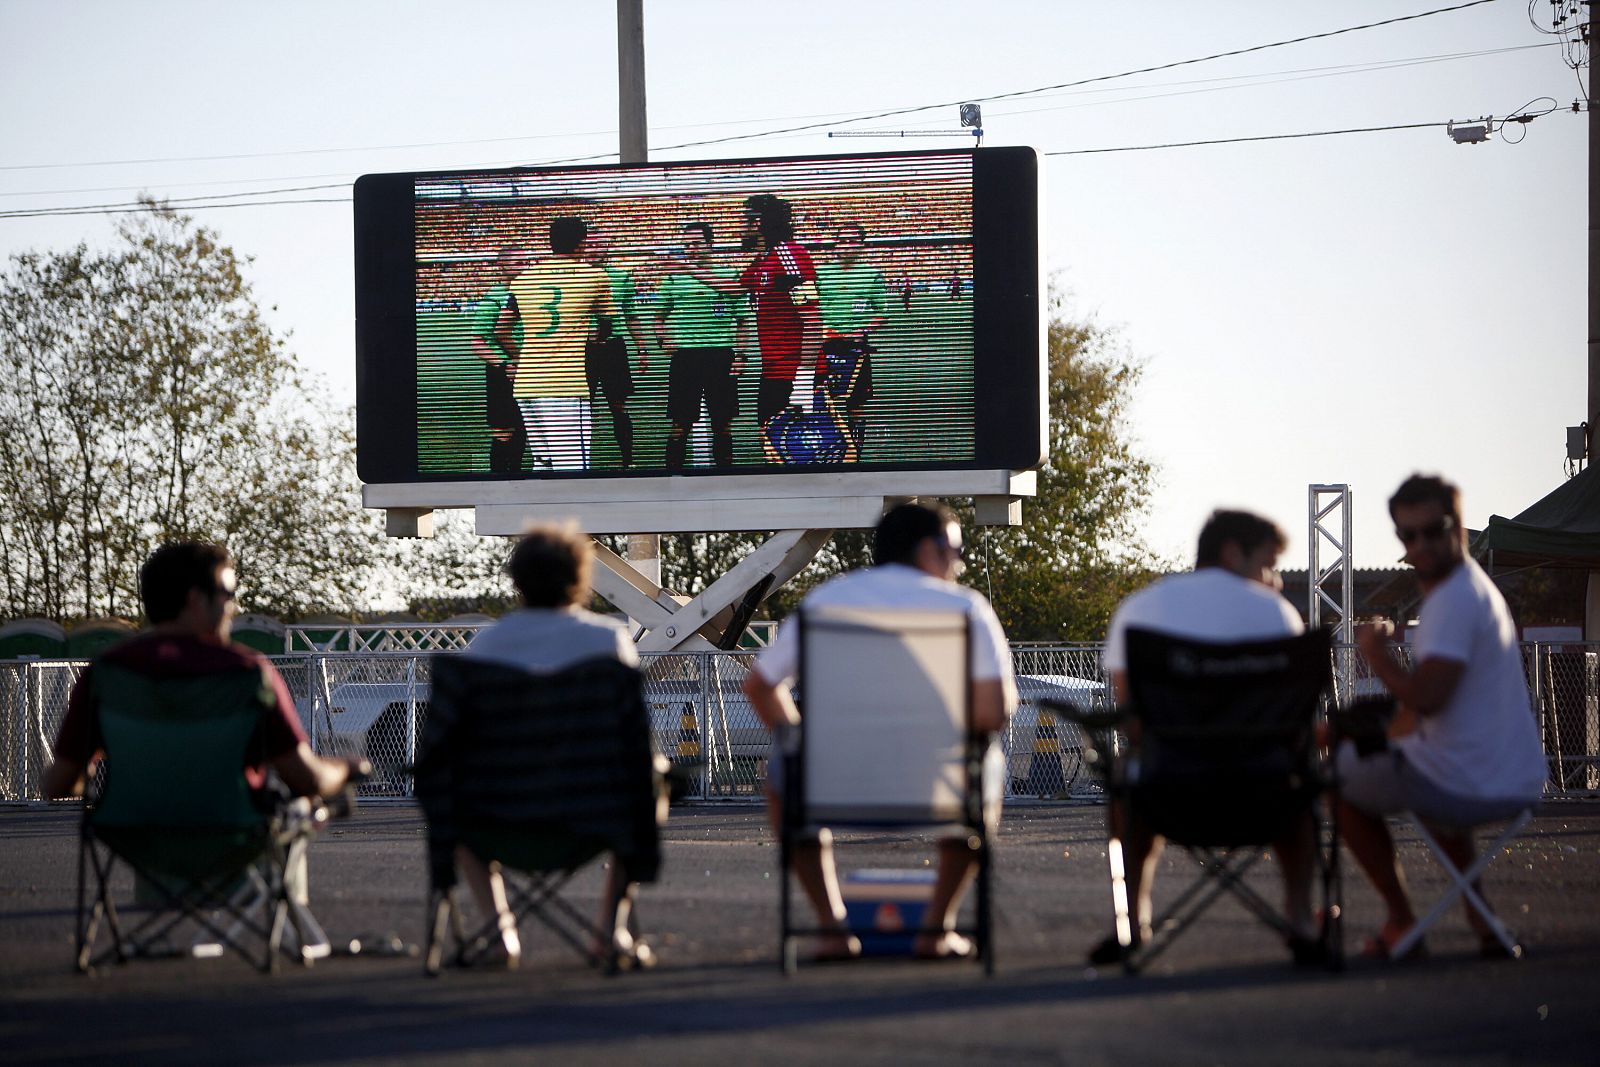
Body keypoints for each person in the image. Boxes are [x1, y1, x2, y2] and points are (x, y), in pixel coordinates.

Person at [742, 502, 1017, 961]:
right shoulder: (966, 609)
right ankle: (936, 928)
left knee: (782, 777)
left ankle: (832, 927)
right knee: (985, 765)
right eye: (956, 549)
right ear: (930, 550)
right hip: (938, 785)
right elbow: (994, 713)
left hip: (833, 784)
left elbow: (760, 685)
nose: (961, 561)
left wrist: (804, 745)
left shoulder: (827, 601)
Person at [1094, 509, 1321, 965]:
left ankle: (1132, 918)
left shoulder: (1140, 609)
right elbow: (1295, 724)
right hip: (1264, 797)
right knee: (1300, 779)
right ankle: (1299, 914)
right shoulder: (1276, 613)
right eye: (1268, 563)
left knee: (1129, 777)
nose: (1272, 577)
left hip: (1169, 795)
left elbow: (1132, 720)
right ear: (1233, 552)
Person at [1341, 474, 1546, 959]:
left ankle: (1400, 921)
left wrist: (1374, 653)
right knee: (1408, 765)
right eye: (1408, 535)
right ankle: (1479, 917)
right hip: (1509, 776)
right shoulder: (1471, 591)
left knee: (1337, 785)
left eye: (1434, 531)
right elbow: (1426, 708)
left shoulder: (1453, 599)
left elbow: (1427, 698)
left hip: (1470, 781)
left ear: (1460, 527)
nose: (1421, 544)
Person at [450, 524, 645, 969]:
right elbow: (631, 738)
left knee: (457, 801)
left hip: (498, 820)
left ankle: (501, 936)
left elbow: (457, 747)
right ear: (580, 578)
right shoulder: (608, 642)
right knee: (646, 792)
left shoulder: (482, 649)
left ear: (517, 581)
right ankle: (608, 930)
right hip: (590, 818)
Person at [42, 541, 364, 804]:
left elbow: (56, 784)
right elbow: (306, 778)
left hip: (139, 843)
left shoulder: (106, 674)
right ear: (196, 600)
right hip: (233, 842)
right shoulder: (248, 673)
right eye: (228, 594)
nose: (233, 608)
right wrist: (345, 768)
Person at [502, 217, 614, 471]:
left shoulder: (523, 278)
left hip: (527, 383)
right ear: (582, 244)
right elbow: (605, 324)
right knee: (573, 465)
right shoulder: (594, 275)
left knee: (542, 463)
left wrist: (522, 359)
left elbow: (501, 330)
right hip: (565, 383)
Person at [654, 221, 747, 469]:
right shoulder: (673, 279)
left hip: (720, 356)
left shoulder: (729, 275)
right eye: (687, 245)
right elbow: (658, 317)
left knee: (723, 422)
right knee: (680, 422)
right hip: (686, 358)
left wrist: (740, 355)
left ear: (710, 244)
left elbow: (742, 321)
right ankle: (673, 476)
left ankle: (724, 474)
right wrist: (663, 338)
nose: (691, 249)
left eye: (696, 243)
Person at [737, 193, 822, 429]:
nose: (740, 228)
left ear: (757, 222)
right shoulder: (763, 260)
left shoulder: (789, 256)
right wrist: (686, 266)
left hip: (793, 374)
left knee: (796, 450)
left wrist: (804, 380)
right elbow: (732, 288)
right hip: (774, 370)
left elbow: (812, 319)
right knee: (771, 444)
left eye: (744, 221)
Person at [815, 222, 887, 461]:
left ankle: (855, 454)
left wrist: (862, 329)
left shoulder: (872, 274)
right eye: (842, 240)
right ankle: (828, 452)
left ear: (861, 245)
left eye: (852, 240)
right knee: (823, 402)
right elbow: (809, 308)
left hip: (856, 350)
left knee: (856, 405)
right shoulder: (821, 273)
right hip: (823, 347)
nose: (846, 246)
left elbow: (882, 313)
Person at [583, 233, 647, 469]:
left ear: (607, 249)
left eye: (599, 246)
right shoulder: (573, 278)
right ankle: (580, 462)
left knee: (618, 406)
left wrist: (642, 349)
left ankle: (627, 460)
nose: (594, 250)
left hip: (613, 348)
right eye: (589, 245)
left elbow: (631, 315)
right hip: (582, 348)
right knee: (582, 406)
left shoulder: (621, 277)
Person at [468, 248, 528, 474]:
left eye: (526, 261)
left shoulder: (531, 293)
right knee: (504, 431)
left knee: (524, 427)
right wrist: (504, 364)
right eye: (517, 262)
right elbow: (477, 342)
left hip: (527, 367)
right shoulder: (493, 299)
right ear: (502, 266)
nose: (524, 266)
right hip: (504, 372)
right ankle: (499, 481)